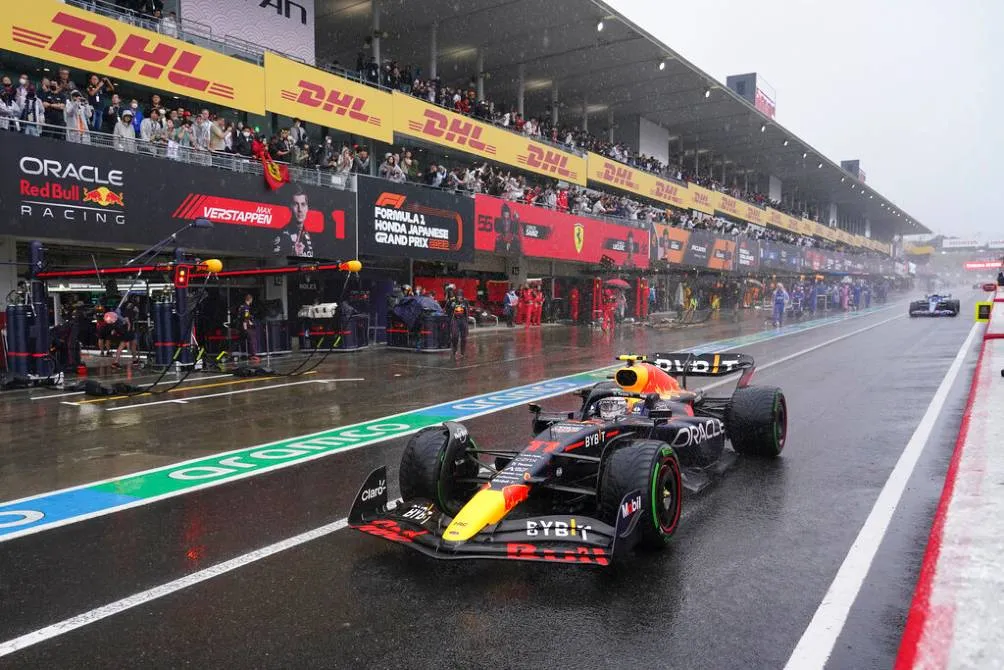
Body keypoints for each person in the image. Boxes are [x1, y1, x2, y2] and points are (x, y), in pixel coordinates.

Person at [447, 288, 470, 359]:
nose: (459, 297)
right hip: (455, 319)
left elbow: (467, 311)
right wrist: (451, 307)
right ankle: (454, 349)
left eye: (461, 296)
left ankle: (462, 352)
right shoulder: (452, 301)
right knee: (455, 335)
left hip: (463, 320)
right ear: (456, 296)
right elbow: (447, 310)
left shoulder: (465, 301)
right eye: (458, 296)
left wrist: (467, 322)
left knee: (464, 337)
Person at [237, 294, 260, 363]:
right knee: (253, 338)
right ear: (250, 300)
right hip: (244, 327)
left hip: (240, 327)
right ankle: (253, 355)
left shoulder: (241, 306)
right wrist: (247, 325)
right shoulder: (246, 307)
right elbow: (245, 317)